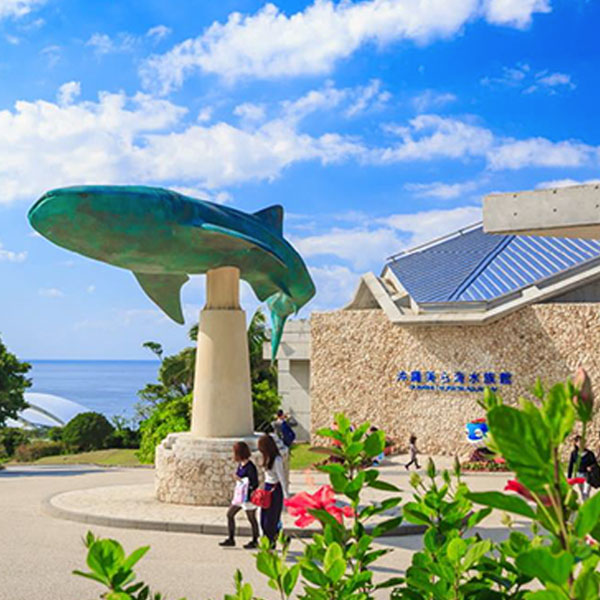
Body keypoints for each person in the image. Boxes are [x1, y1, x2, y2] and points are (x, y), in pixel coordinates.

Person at [219, 441, 260, 549]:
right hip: (240, 496)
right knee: (230, 514)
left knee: (251, 518)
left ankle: (255, 540)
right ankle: (231, 538)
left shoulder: (250, 466)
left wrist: (242, 480)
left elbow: (254, 482)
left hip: (247, 497)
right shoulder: (241, 465)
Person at [257, 433, 289, 546]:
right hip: (267, 488)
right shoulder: (266, 457)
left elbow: (282, 478)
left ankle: (271, 542)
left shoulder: (277, 460)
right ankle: (275, 538)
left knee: (272, 518)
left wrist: (286, 496)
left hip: (275, 489)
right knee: (263, 517)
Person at [568, 435, 598, 500]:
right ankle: (585, 505)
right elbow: (570, 465)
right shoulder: (574, 454)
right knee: (582, 493)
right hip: (579, 475)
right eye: (580, 442)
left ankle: (588, 508)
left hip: (588, 475)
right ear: (576, 443)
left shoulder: (590, 453)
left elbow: (595, 464)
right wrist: (569, 477)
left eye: (583, 442)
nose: (582, 444)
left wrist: (591, 467)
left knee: (586, 492)